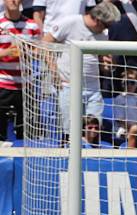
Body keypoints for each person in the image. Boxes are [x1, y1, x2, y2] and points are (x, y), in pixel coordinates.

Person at [43, 2, 121, 137]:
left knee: (93, 131)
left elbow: (103, 65)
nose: (107, 29)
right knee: (70, 132)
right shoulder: (70, 22)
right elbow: (45, 44)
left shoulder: (103, 34)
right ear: (97, 20)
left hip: (93, 89)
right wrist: (54, 71)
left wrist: (108, 65)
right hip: (68, 86)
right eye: (107, 25)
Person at [0, 0, 41, 141]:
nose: (13, 1)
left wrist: (28, 52)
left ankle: (23, 161)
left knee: (26, 131)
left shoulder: (32, 25)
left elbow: (39, 51)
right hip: (3, 84)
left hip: (26, 85)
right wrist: (5, 53)